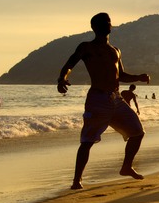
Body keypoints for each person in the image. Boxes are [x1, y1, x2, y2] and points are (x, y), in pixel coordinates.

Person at [57, 12, 150, 190]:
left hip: (116, 98)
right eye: (103, 23)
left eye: (108, 22)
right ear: (94, 27)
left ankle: (126, 167)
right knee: (87, 141)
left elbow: (121, 75)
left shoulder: (115, 50)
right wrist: (62, 78)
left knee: (138, 132)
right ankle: (77, 180)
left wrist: (139, 77)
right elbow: (69, 64)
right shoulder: (86, 47)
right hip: (97, 99)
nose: (107, 24)